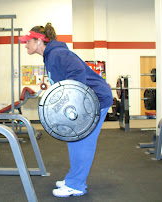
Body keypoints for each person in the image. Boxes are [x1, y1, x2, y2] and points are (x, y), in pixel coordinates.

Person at [19, 23, 113, 197]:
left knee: (82, 142)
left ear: (39, 41)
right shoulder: (50, 55)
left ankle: (76, 185)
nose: (25, 45)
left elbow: (77, 73)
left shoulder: (57, 53)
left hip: (96, 100)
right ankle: (74, 179)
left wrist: (71, 105)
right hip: (88, 100)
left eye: (28, 41)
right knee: (74, 139)